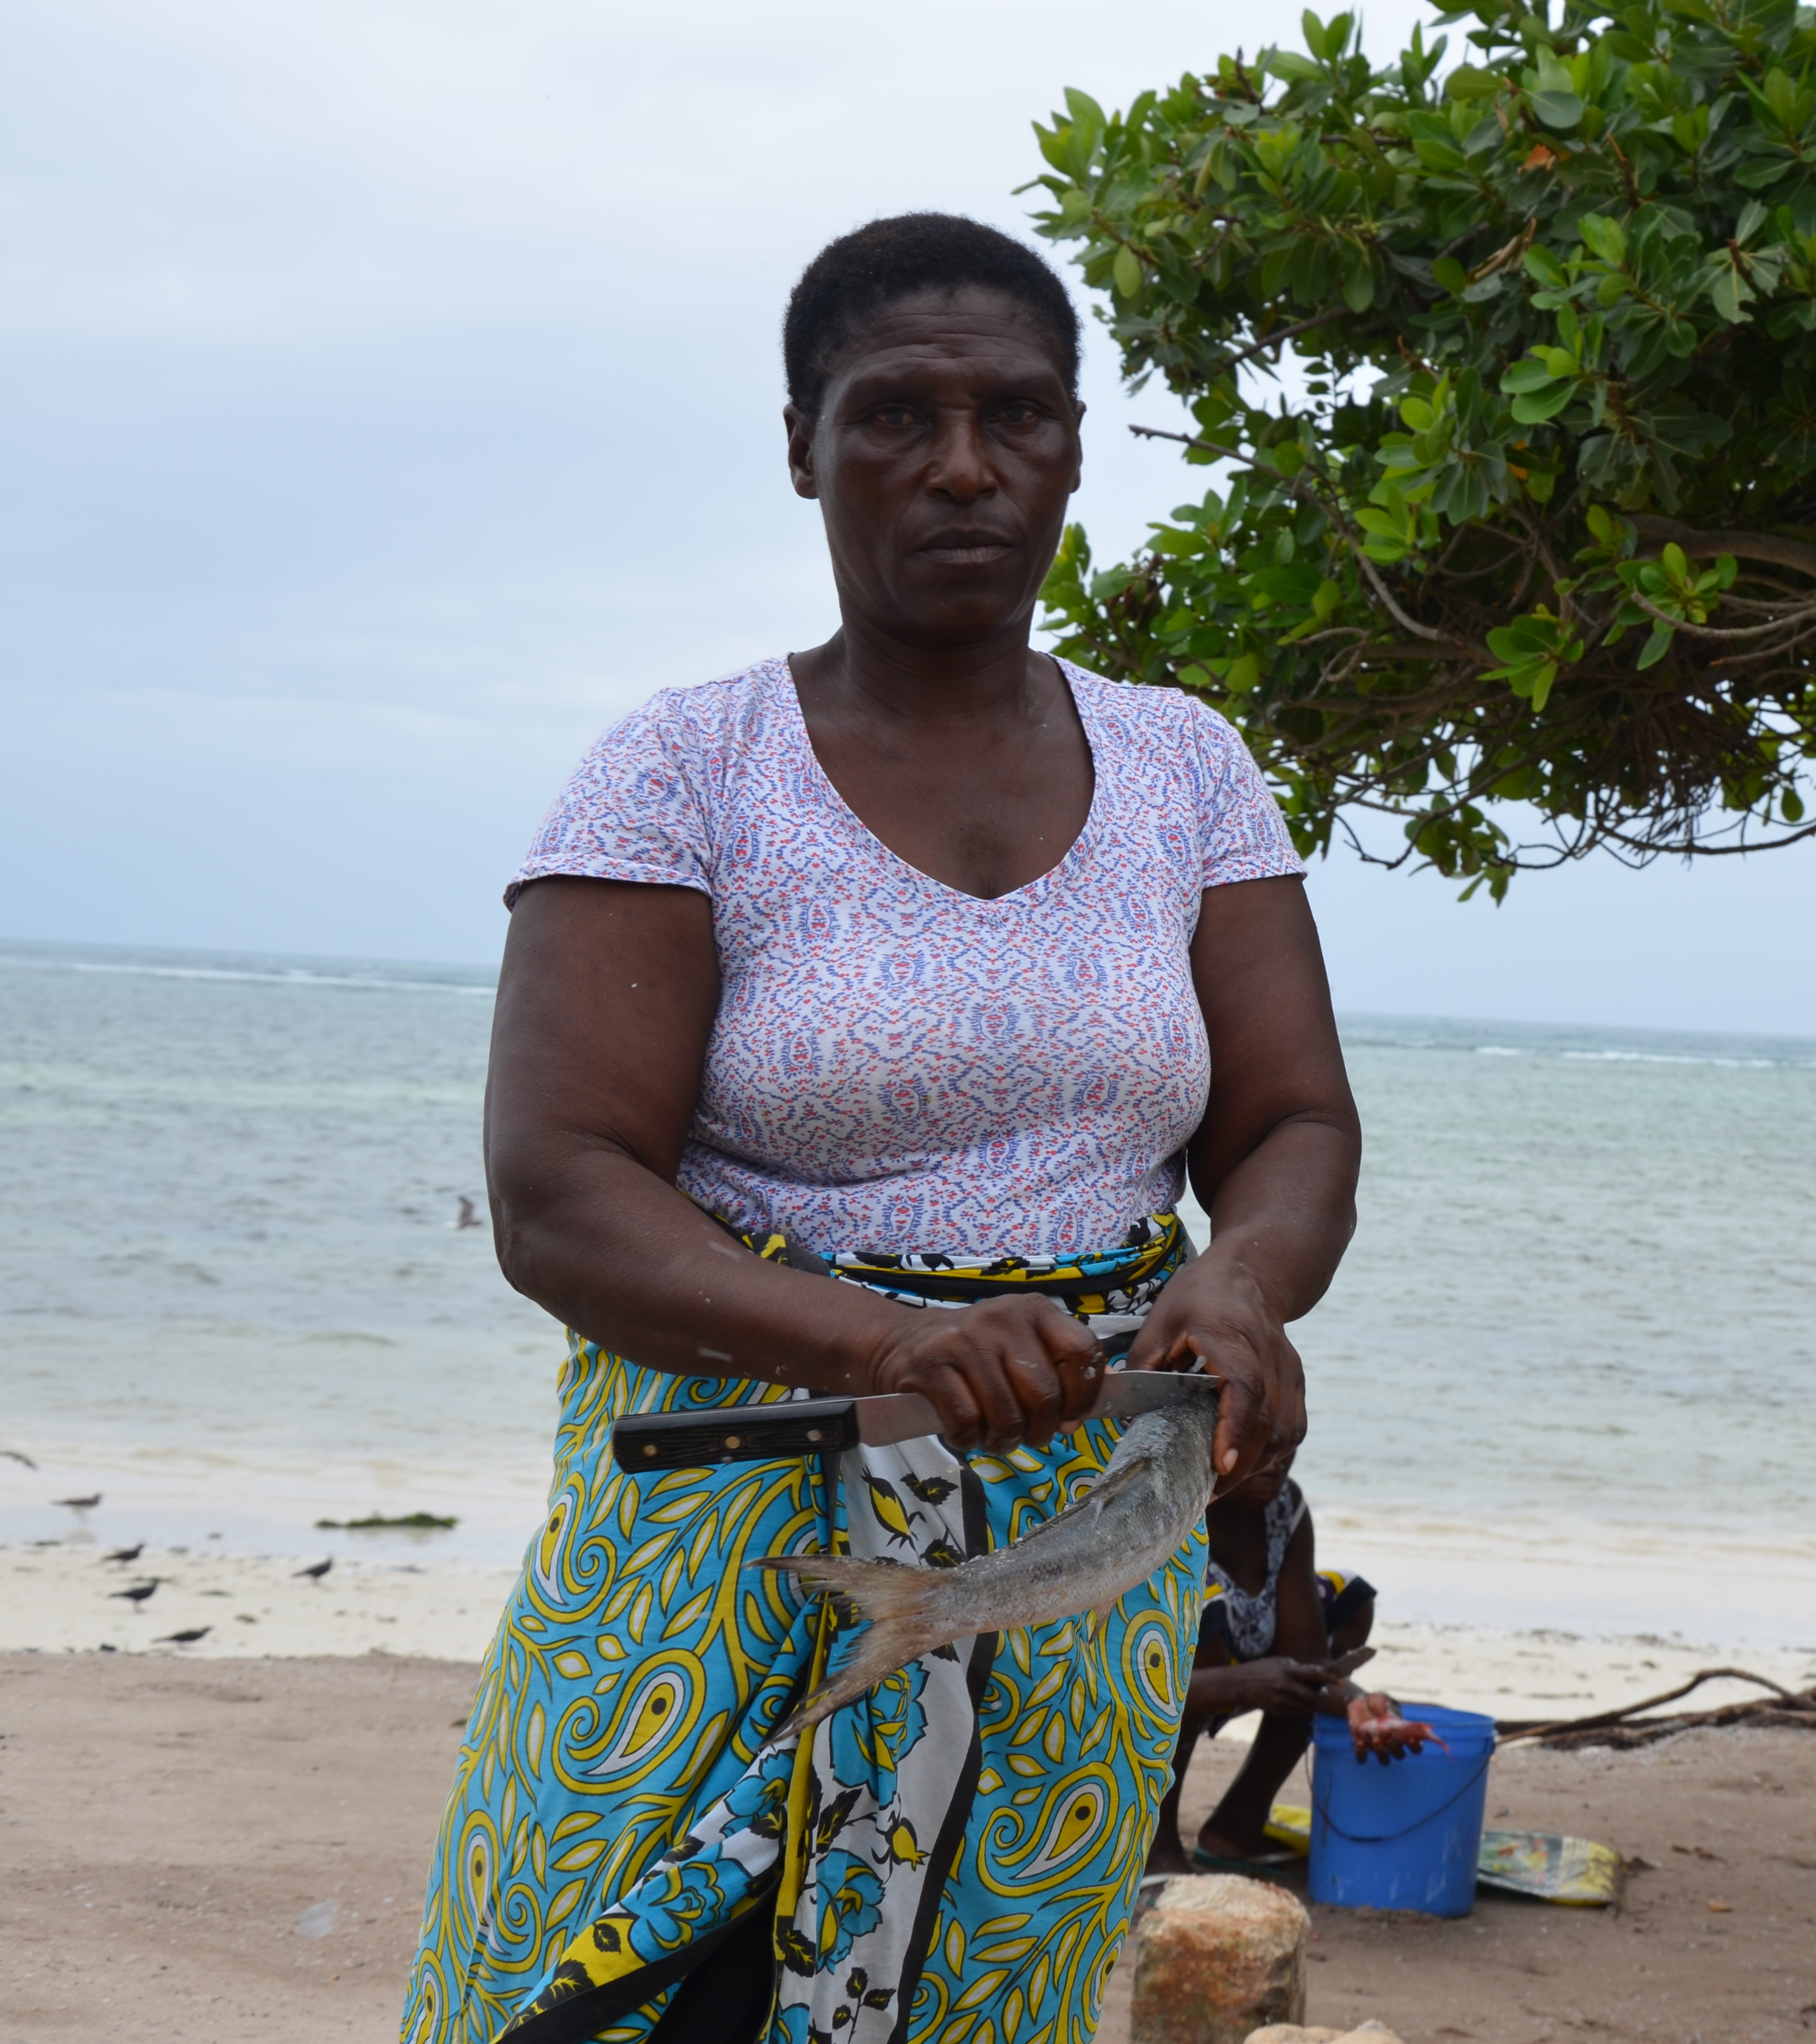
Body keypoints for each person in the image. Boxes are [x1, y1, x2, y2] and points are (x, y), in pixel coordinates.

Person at [405, 214, 1361, 2044]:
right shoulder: (684, 770)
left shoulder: (1185, 767)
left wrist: (1241, 1282)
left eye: (1016, 415)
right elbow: (557, 1192)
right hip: (731, 1529)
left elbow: (1294, 1116)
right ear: (804, 446)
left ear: (1071, 448)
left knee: (981, 1988)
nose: (963, 465)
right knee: (609, 1990)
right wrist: (889, 1342)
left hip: (1079, 1540)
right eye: (897, 415)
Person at [1143, 1463, 1435, 1877]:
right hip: (1157, 1680)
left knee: (1348, 1597)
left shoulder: (1284, 1504)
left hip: (1244, 1658)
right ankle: (1153, 1849)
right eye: (1259, 1443)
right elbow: (1136, 1679)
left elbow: (1308, 1659)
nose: (1277, 1461)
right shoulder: (1172, 1508)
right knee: (1205, 1612)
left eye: (1288, 1440)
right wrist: (1243, 1683)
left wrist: (1359, 1703)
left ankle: (1237, 1827)